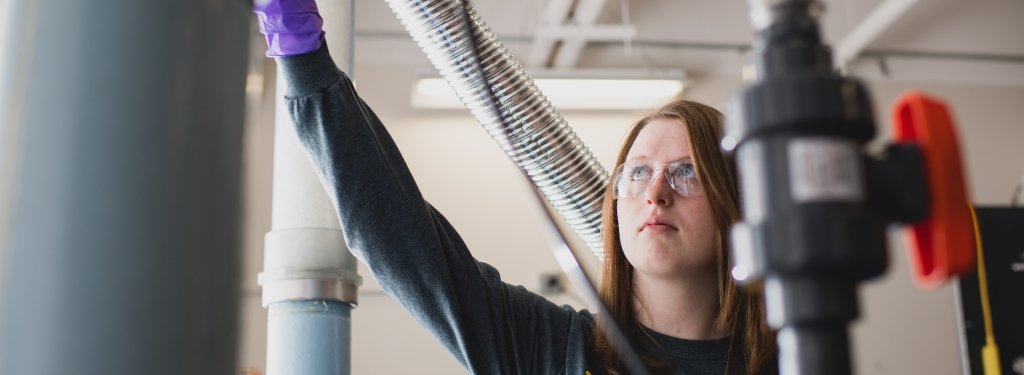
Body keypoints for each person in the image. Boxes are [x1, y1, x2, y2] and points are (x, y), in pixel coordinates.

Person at [254, 0, 777, 374]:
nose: (655, 193)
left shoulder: (796, 357)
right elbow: (399, 234)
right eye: (637, 172)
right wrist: (301, 57)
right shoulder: (548, 349)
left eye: (686, 173)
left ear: (738, 207)